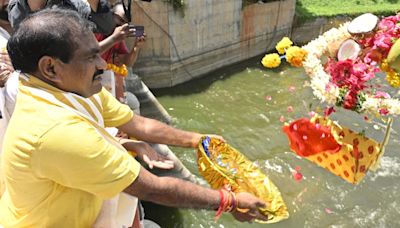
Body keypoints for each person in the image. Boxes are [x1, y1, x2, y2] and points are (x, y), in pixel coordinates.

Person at [0, 8, 267, 227]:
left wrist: (198, 140)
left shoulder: (67, 88)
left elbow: (135, 123)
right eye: (91, 56)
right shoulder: (53, 130)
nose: (103, 65)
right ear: (50, 67)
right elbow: (150, 187)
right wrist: (229, 201)